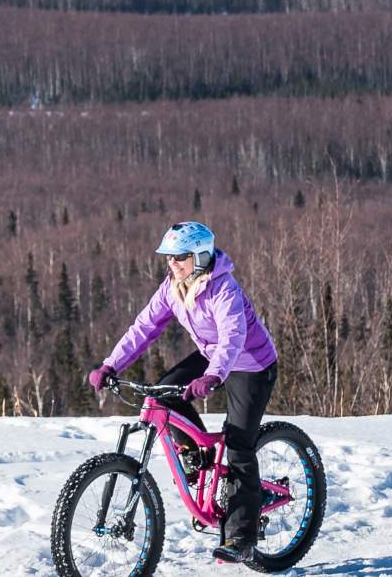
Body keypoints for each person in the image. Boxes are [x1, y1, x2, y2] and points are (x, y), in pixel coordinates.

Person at [87, 221, 279, 564]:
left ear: (200, 256)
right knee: (162, 396)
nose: (172, 263)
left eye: (180, 257)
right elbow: (144, 327)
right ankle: (197, 451)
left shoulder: (223, 288)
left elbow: (233, 336)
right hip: (212, 356)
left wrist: (213, 375)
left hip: (251, 364)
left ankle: (241, 538)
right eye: (169, 257)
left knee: (239, 446)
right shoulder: (172, 287)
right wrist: (111, 365)